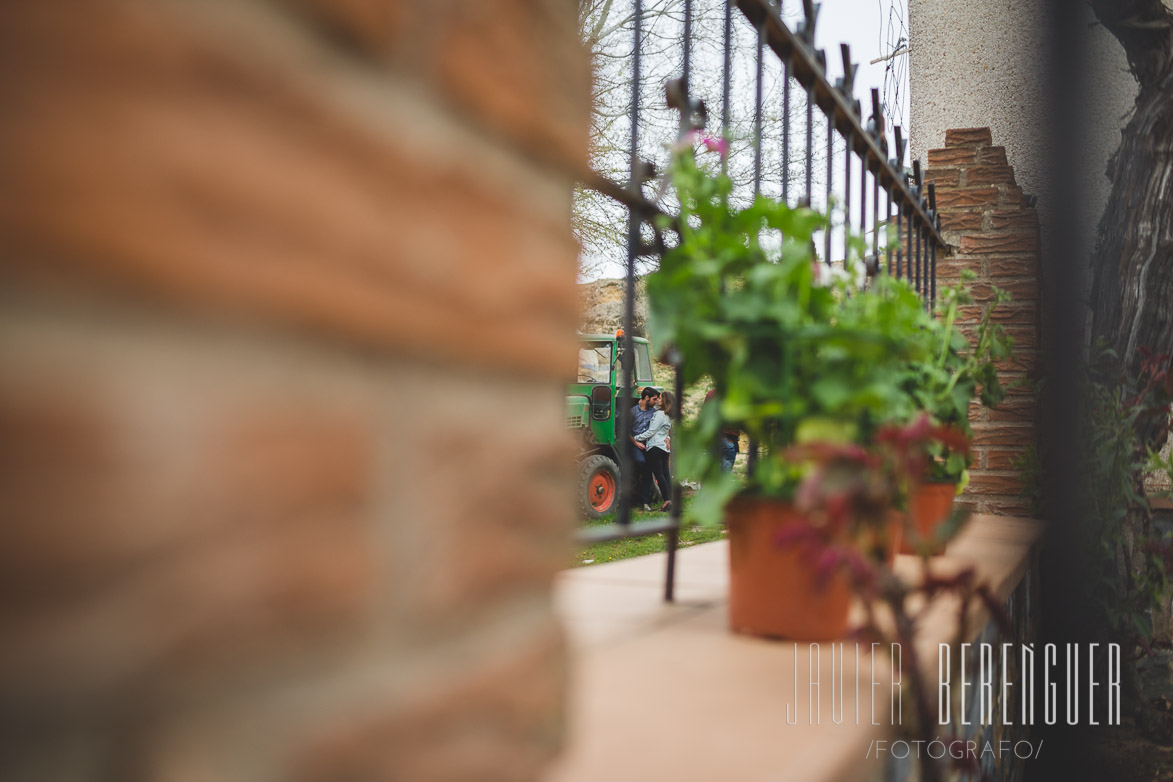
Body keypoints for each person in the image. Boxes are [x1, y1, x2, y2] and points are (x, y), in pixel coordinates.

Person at [635, 390, 675, 512]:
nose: (658, 400)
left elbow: (651, 431)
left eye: (660, 398)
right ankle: (670, 499)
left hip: (655, 447)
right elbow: (666, 431)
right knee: (666, 473)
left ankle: (667, 500)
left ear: (665, 401)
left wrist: (635, 438)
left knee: (659, 474)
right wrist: (668, 438)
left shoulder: (659, 414)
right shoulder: (668, 415)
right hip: (664, 447)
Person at [629, 386, 660, 511]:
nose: (656, 402)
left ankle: (646, 502)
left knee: (649, 469)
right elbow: (626, 431)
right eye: (654, 399)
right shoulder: (632, 412)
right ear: (646, 398)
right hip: (635, 443)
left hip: (649, 444)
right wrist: (636, 443)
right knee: (641, 462)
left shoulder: (654, 412)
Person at [705, 388, 740, 472]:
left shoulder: (711, 394)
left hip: (713, 438)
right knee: (724, 476)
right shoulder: (737, 394)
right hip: (730, 440)